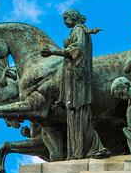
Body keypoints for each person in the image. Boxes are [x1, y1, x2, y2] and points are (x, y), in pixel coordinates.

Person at [40, 9, 108, 159]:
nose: (64, 21)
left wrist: (53, 52)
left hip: (78, 82)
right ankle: (78, 150)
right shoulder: (78, 31)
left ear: (74, 17)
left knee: (79, 115)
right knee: (75, 115)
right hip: (73, 80)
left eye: (66, 18)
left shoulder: (79, 30)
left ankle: (86, 149)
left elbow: (78, 50)